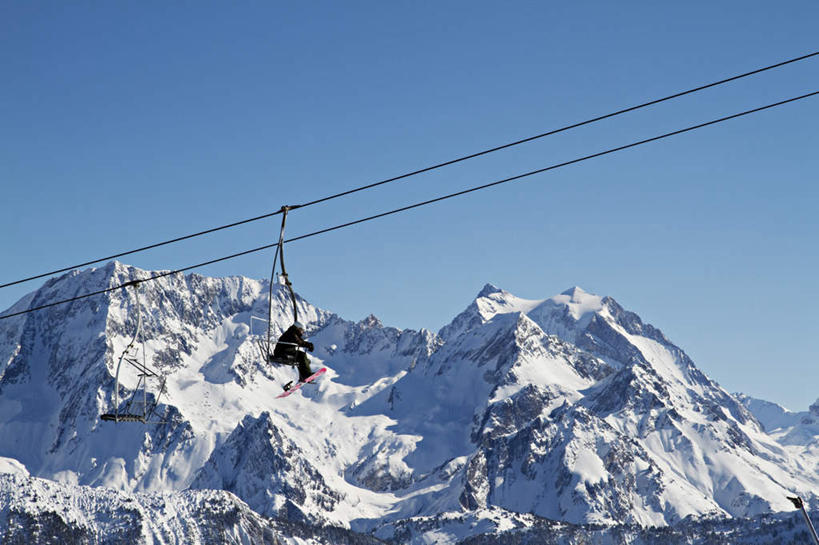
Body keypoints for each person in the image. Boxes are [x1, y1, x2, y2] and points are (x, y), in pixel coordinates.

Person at [273, 321, 314, 389]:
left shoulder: (292, 332)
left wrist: (308, 345)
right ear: (298, 328)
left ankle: (303, 376)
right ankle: (306, 375)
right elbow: (298, 342)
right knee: (302, 356)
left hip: (285, 351)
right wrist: (308, 345)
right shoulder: (292, 333)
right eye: (302, 330)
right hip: (282, 352)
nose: (302, 332)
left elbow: (300, 340)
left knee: (305, 360)